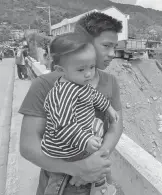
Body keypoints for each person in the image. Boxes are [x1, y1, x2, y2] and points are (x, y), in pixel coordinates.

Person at [19, 12, 123, 195]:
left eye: (115, 47)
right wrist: (76, 168)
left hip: (96, 179)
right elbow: (28, 146)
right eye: (106, 46)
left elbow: (117, 125)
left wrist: (94, 163)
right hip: (57, 183)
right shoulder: (46, 85)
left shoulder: (111, 82)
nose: (112, 54)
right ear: (84, 43)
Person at [42, 32, 119, 195]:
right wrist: (85, 140)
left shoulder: (79, 83)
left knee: (97, 168)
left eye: (91, 67)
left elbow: (95, 95)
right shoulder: (61, 93)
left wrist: (108, 108)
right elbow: (63, 126)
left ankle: (100, 186)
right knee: (63, 185)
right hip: (65, 152)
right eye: (81, 69)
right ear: (60, 70)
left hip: (80, 145)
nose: (88, 74)